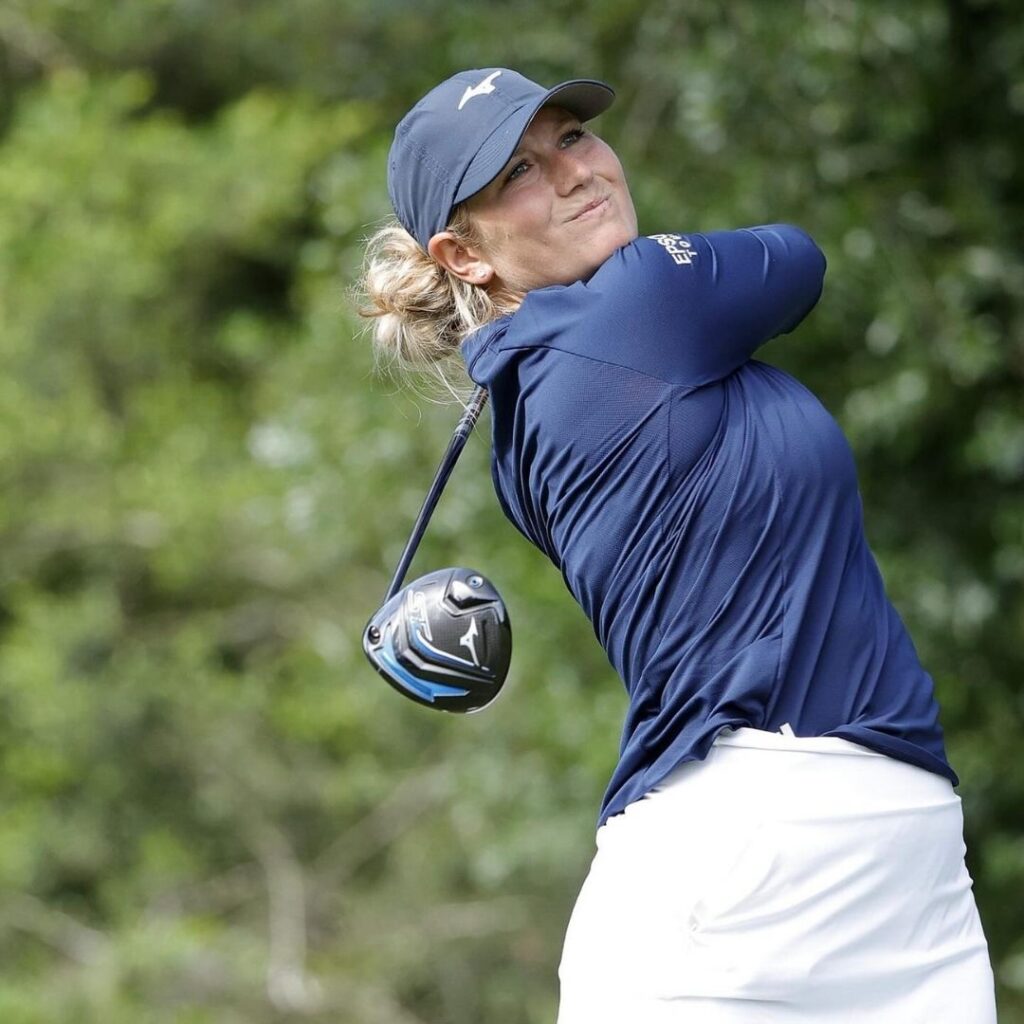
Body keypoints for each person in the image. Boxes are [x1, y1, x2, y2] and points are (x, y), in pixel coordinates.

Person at [360, 68, 996, 1022]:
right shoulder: (638, 305)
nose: (574, 172)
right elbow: (797, 258)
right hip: (739, 858)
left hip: (902, 874)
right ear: (465, 254)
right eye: (520, 172)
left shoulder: (551, 380)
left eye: (573, 136)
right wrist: (661, 265)